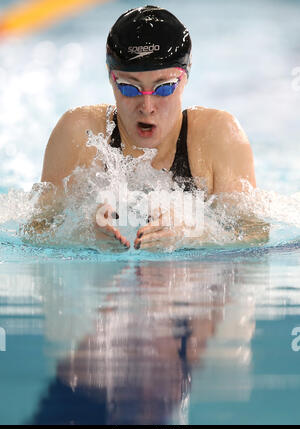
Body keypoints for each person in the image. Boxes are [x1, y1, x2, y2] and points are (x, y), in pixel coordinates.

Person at [25, 5, 267, 251]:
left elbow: (256, 235)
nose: (147, 106)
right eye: (130, 88)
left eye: (164, 88)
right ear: (111, 78)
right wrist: (83, 233)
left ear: (185, 78)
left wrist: (191, 234)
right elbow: (34, 232)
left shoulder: (218, 137)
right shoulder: (80, 134)